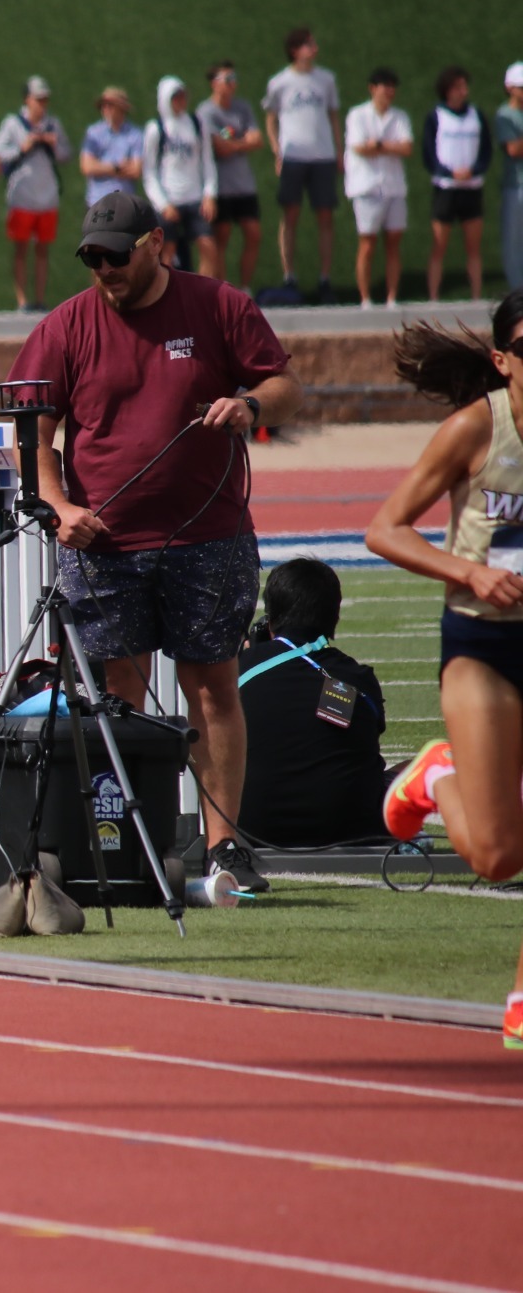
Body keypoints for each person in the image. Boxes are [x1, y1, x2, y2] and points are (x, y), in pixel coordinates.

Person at [11, 191, 301, 894]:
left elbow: (284, 382)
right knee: (118, 695)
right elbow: (33, 433)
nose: (104, 269)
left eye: (116, 255)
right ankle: (129, 843)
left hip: (210, 533)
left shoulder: (218, 305)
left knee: (212, 687)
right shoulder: (65, 325)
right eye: (92, 258)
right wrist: (57, 505)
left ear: (154, 244)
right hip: (106, 542)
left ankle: (223, 844)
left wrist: (251, 405)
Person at [365, 290, 523, 1052]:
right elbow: (384, 528)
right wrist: (468, 573)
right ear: (503, 359)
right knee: (497, 855)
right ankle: (434, 776)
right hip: (484, 646)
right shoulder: (476, 429)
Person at [235, 558, 391, 848]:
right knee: (419, 766)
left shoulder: (240, 670)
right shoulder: (358, 678)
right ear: (335, 616)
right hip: (354, 831)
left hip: (254, 832)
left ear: (270, 617)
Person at [263, 29, 341, 302]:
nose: (315, 48)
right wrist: (277, 151)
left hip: (323, 156)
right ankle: (289, 276)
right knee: (290, 216)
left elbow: (333, 116)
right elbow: (270, 118)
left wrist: (339, 152)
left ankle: (324, 279)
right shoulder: (279, 83)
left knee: (325, 217)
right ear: (296, 49)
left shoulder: (326, 79)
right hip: (293, 157)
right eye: (310, 44)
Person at [0, 76, 71, 312]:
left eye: (45, 99)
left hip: (47, 197)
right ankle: (22, 300)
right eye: (38, 99)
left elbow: (66, 154)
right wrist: (22, 147)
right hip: (22, 197)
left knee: (42, 250)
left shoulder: (53, 124)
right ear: (27, 99)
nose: (42, 104)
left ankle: (39, 299)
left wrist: (53, 143)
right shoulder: (12, 123)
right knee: (21, 248)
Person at [422, 66, 493, 303]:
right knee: (439, 246)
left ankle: (475, 296)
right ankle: (433, 297)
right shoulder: (436, 116)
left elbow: (486, 151)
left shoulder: (476, 115)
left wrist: (473, 171)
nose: (464, 91)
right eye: (459, 87)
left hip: (472, 189)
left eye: (465, 86)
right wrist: (450, 172)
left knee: (473, 247)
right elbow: (429, 155)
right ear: (448, 90)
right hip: (445, 189)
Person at [346, 67, 414, 309]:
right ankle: (365, 298)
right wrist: (388, 146)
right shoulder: (357, 115)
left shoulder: (401, 116)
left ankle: (392, 298)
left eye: (392, 87)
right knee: (368, 242)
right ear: (372, 88)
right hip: (367, 188)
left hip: (394, 187)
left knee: (394, 241)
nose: (389, 92)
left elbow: (407, 148)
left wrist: (379, 145)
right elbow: (360, 148)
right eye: (385, 86)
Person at [197, 62, 265, 290]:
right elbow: (219, 148)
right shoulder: (205, 112)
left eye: (234, 78)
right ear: (214, 84)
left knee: (254, 233)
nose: (232, 83)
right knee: (221, 237)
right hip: (221, 187)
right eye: (227, 79)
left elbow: (258, 139)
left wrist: (234, 144)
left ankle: (244, 288)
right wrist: (243, 142)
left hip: (245, 186)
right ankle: (222, 289)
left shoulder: (243, 107)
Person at [142, 76, 218, 273]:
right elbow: (149, 172)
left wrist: (210, 194)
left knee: (208, 246)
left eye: (183, 96)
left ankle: (204, 296)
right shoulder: (156, 129)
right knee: (167, 252)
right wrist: (163, 204)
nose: (181, 101)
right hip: (169, 200)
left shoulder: (196, 123)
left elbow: (207, 161)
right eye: (175, 97)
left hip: (195, 198)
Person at [80, 86, 143, 206]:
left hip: (125, 204)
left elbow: (136, 170)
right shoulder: (93, 133)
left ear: (122, 108)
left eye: (110, 105)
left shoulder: (136, 134)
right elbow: (87, 167)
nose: (105, 108)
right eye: (103, 105)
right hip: (97, 203)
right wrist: (116, 167)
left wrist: (100, 166)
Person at [501, 63, 523, 294]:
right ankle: (518, 293)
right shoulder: (505, 115)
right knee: (514, 243)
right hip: (515, 186)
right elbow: (514, 149)